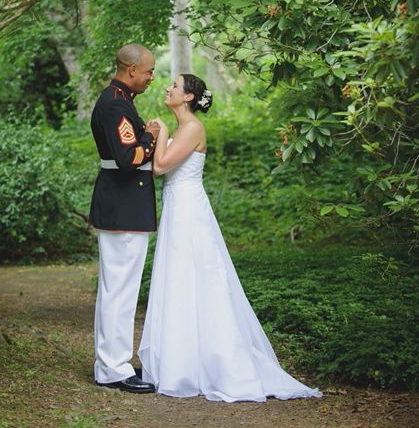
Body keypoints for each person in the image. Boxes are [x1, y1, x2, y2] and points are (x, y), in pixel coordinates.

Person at [137, 74, 322, 402]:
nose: (168, 88)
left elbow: (160, 166)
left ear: (188, 97)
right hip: (177, 208)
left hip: (188, 212)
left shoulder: (191, 127)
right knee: (180, 280)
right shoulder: (183, 127)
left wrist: (159, 131)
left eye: (175, 86)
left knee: (196, 278)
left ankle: (213, 364)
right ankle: (180, 363)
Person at [89, 44, 160, 393]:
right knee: (119, 290)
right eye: (149, 71)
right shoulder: (116, 103)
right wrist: (151, 136)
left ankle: (112, 363)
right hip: (123, 207)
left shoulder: (119, 99)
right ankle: (114, 368)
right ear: (131, 70)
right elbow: (128, 158)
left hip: (122, 206)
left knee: (117, 289)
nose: (151, 77)